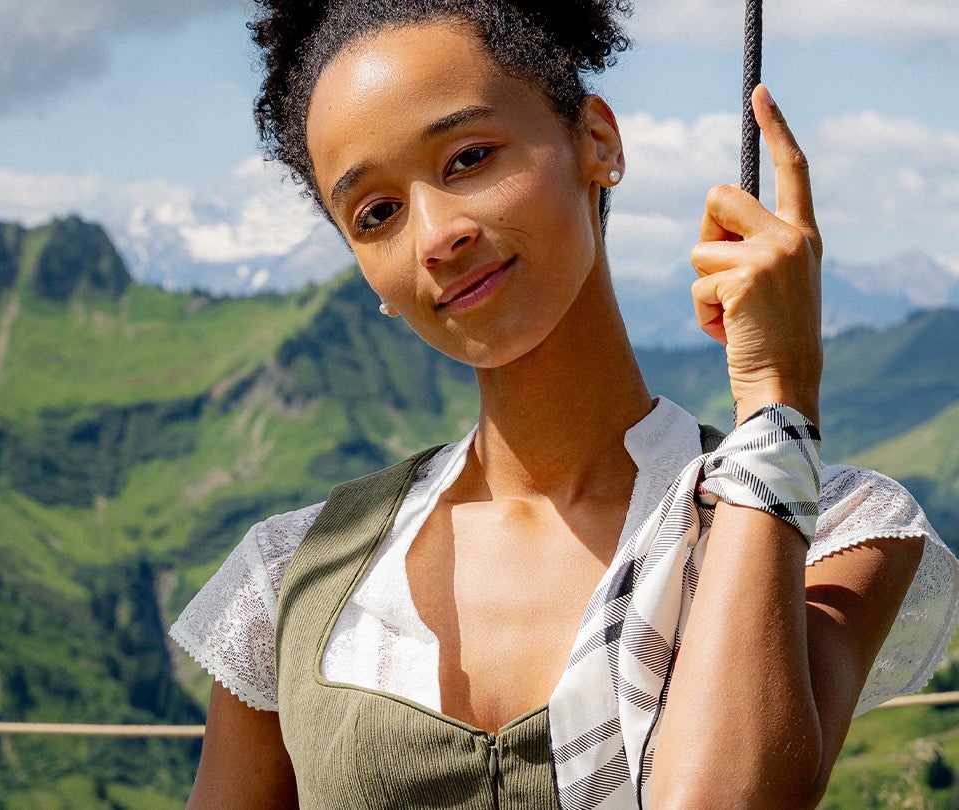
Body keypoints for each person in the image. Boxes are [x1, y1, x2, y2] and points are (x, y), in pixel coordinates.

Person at [170, 0, 959, 806]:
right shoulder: (291, 579)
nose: (435, 236)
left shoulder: (834, 532)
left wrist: (777, 399)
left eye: (468, 158)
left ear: (598, 142)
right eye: (377, 214)